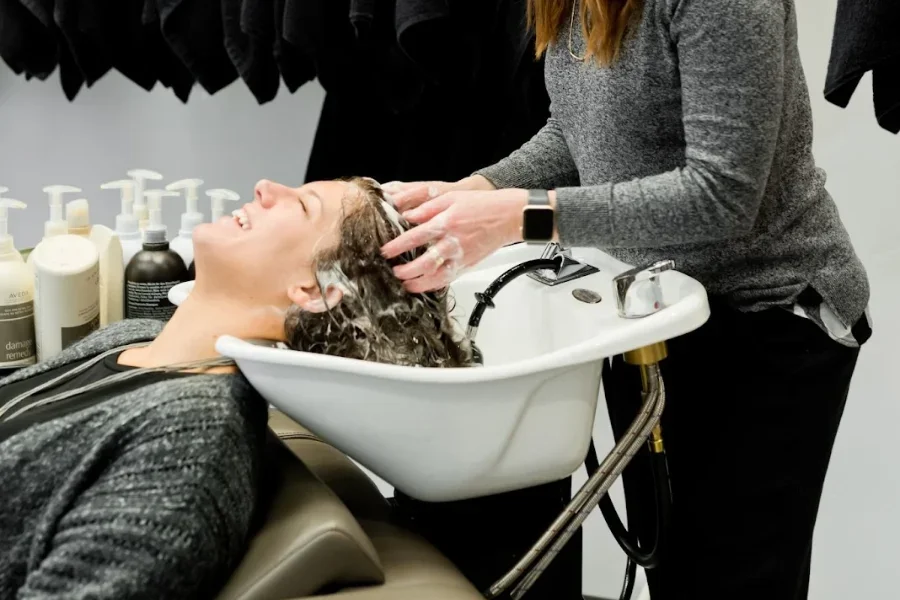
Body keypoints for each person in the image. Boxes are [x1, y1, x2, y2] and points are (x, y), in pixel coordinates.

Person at [380, 1, 872, 599]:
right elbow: (574, 132)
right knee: (677, 575)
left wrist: (520, 217)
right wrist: (468, 196)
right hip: (660, 311)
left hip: (771, 317)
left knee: (732, 581)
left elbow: (722, 194)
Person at [0, 177, 473, 599]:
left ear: (313, 291)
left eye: (304, 205)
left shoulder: (188, 442)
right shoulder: (131, 337)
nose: (266, 187)